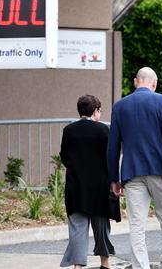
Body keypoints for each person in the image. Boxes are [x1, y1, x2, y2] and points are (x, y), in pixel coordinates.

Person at [108, 67, 162, 269]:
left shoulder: (120, 106)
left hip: (132, 173)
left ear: (135, 82)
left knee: (137, 225)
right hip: (161, 173)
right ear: (154, 83)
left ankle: (141, 267)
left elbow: (113, 145)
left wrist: (114, 178)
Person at [60, 95, 120, 269]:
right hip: (99, 188)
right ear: (95, 111)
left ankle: (77, 267)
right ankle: (105, 263)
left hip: (75, 186)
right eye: (100, 111)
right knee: (101, 228)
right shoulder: (102, 130)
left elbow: (64, 156)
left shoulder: (68, 130)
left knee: (77, 229)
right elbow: (109, 158)